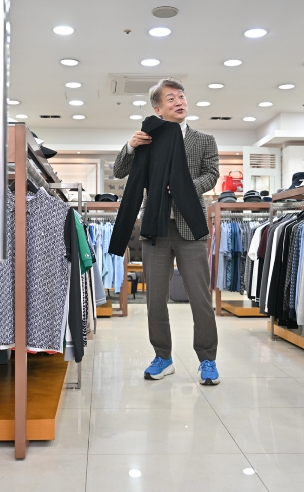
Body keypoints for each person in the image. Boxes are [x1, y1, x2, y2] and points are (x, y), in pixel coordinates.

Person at [113, 78, 221, 385]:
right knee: (155, 298)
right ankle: (163, 357)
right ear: (157, 108)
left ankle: (208, 359)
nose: (179, 102)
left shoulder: (203, 140)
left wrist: (186, 187)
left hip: (191, 227)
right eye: (171, 98)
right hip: (155, 227)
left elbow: (212, 174)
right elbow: (119, 171)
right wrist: (130, 146)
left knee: (200, 297)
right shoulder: (149, 138)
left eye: (181, 96)